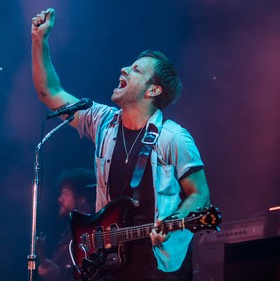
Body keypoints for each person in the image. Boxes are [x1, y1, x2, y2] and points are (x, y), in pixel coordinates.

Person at [31, 8, 211, 281]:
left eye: (136, 69)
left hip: (160, 266)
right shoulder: (102, 122)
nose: (124, 69)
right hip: (110, 263)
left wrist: (174, 221)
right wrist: (39, 41)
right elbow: (50, 92)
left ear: (153, 90)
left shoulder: (173, 137)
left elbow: (200, 194)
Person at [38, 167, 96, 281]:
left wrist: (59, 274)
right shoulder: (69, 231)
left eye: (65, 194)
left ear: (82, 197)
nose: (60, 199)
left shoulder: (92, 231)